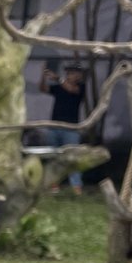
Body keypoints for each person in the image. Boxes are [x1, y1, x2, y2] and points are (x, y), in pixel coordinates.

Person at [39, 64, 86, 193]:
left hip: (70, 128)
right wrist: (43, 76)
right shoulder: (59, 87)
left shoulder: (81, 87)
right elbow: (43, 89)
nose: (72, 75)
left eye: (74, 73)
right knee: (53, 156)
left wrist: (57, 78)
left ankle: (76, 186)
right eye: (70, 72)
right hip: (54, 126)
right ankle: (53, 184)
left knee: (73, 158)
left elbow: (72, 90)